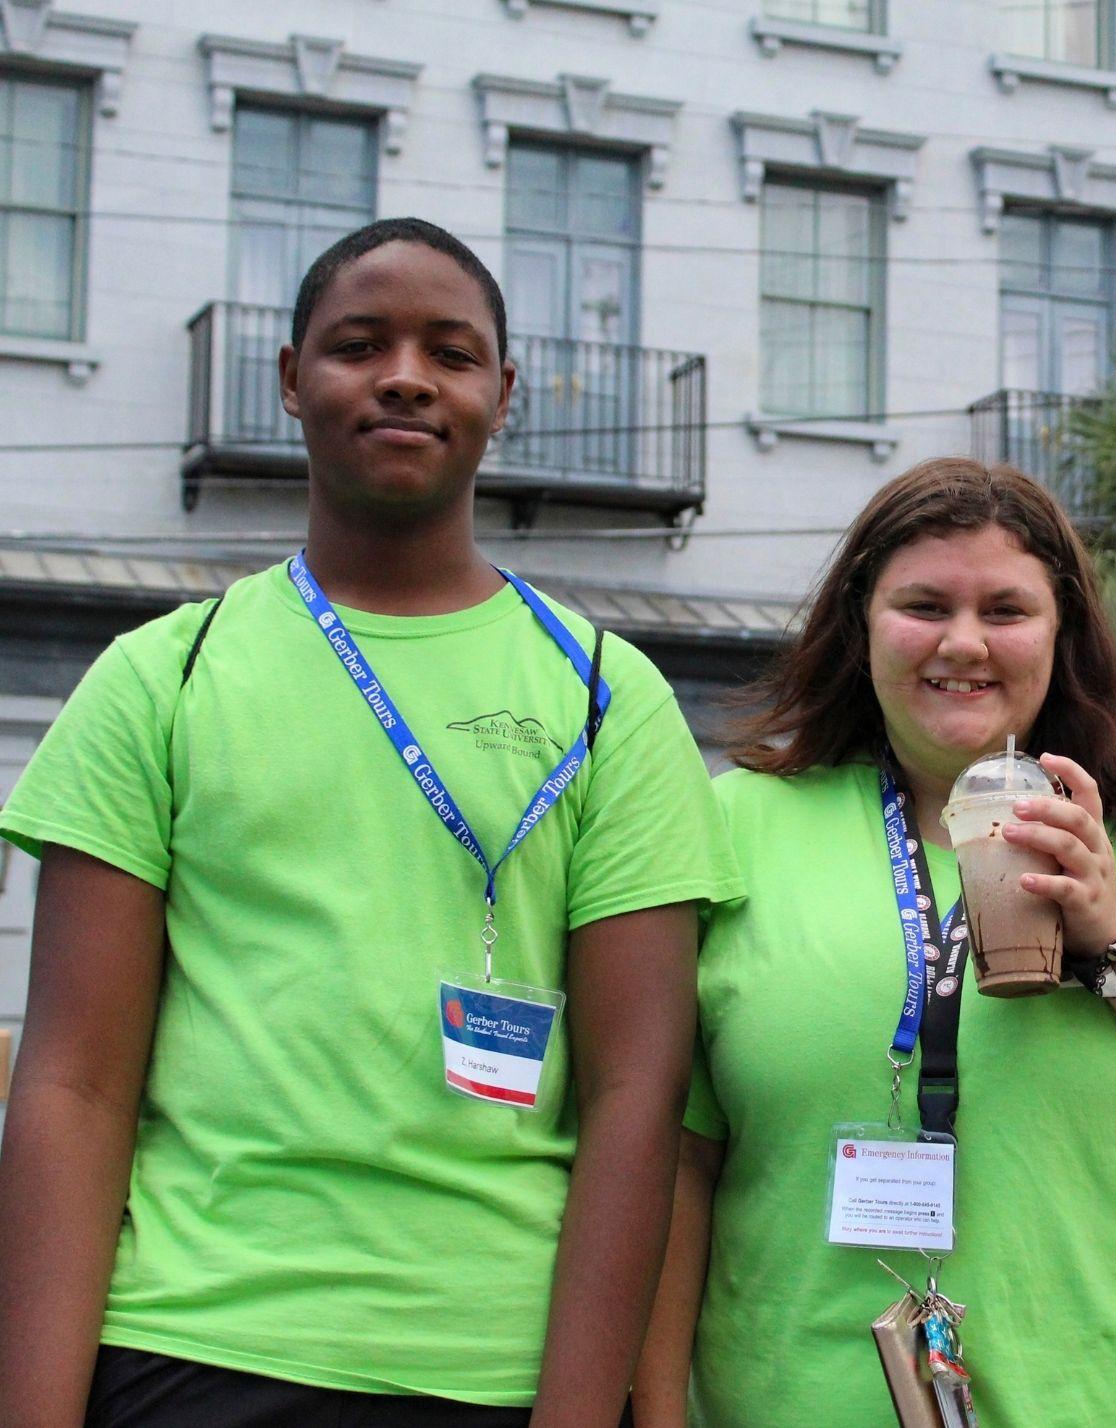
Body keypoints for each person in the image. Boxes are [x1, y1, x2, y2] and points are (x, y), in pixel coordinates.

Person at [0, 219, 741, 1425]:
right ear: (291, 378)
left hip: (491, 1369)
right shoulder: (161, 678)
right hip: (190, 1349)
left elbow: (633, 1099)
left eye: (450, 352)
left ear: (504, 397)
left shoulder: (610, 699)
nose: (404, 374)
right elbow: (74, 1084)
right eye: (359, 344)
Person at [631, 458, 1116, 1427]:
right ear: (860, 622)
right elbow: (677, 1164)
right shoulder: (738, 824)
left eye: (1005, 610)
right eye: (923, 604)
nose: (962, 643)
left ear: (1061, 633)